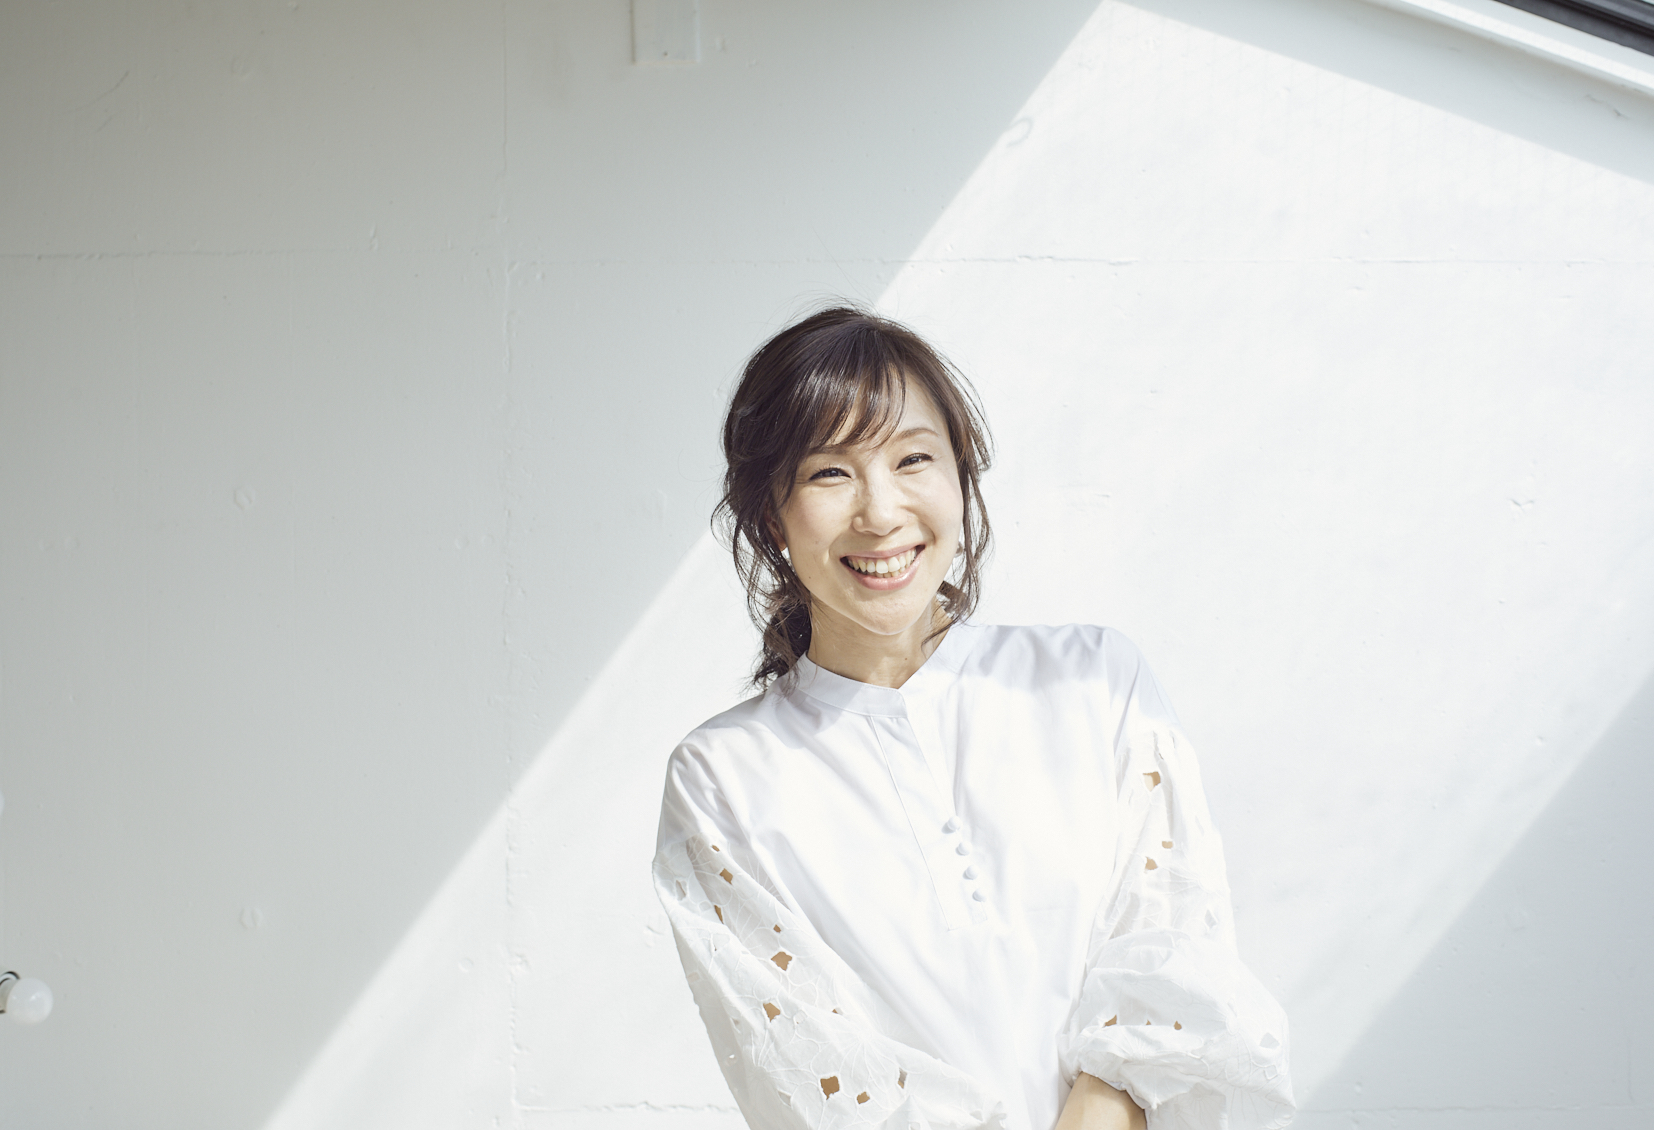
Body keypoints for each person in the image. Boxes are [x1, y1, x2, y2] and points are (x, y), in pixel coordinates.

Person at [652, 306, 1294, 1130]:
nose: (880, 513)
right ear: (772, 515)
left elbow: (1173, 959)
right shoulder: (722, 780)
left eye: (912, 459)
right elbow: (813, 1081)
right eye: (830, 473)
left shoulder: (1095, 682)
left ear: (962, 475)